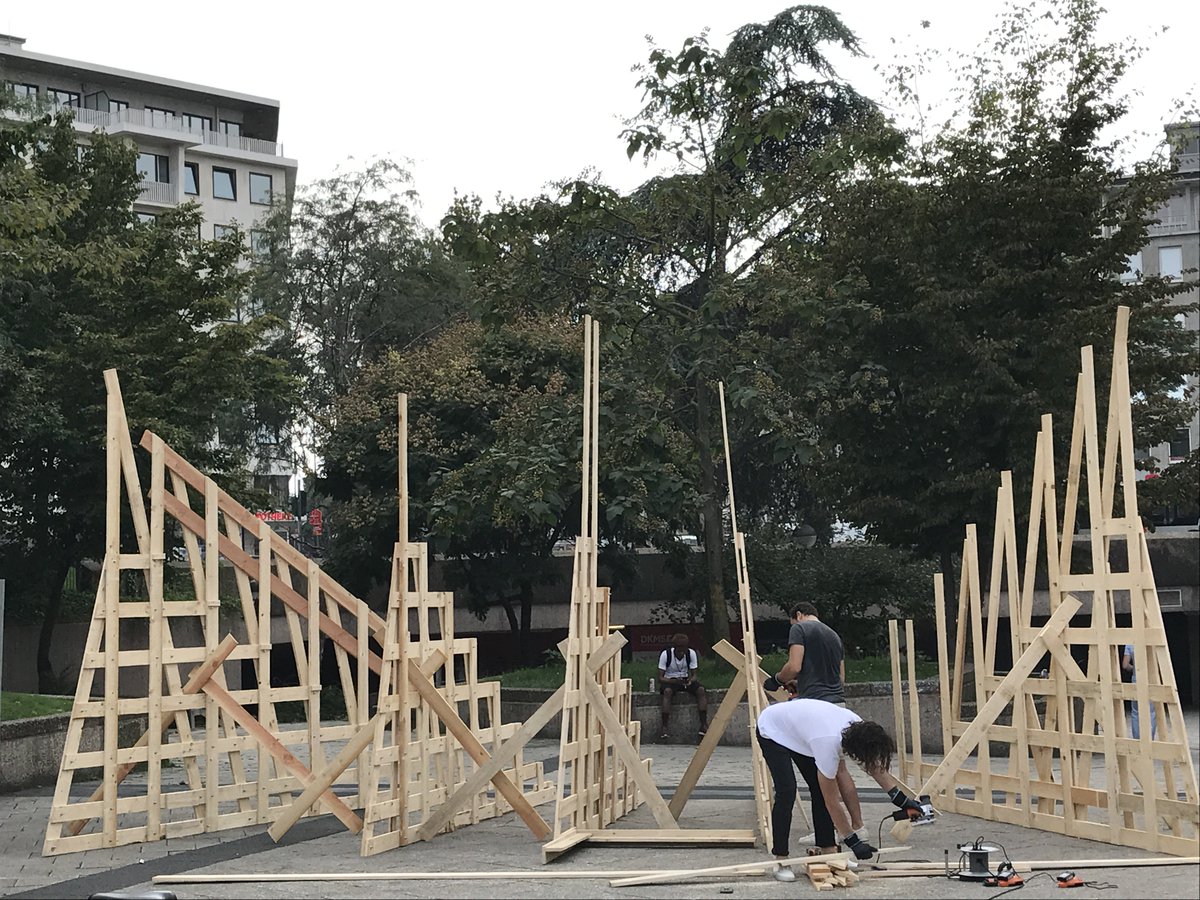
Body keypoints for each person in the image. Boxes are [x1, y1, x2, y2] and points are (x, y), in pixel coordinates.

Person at [755, 694, 924, 881]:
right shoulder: (828, 744)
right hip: (773, 730)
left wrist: (901, 799)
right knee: (787, 790)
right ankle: (780, 859)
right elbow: (832, 802)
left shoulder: (857, 726)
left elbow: (873, 766)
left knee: (818, 789)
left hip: (803, 730)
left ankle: (829, 852)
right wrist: (853, 841)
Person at [774, 601, 846, 705]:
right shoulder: (835, 636)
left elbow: (794, 667)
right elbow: (841, 678)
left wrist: (777, 680)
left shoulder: (799, 628)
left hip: (814, 703)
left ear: (799, 615)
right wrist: (801, 684)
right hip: (838, 703)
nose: (793, 626)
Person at [657, 633, 708, 739]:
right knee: (667, 692)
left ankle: (703, 724)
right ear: (674, 647)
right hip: (670, 680)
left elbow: (694, 675)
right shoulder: (666, 654)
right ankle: (664, 726)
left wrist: (690, 681)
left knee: (701, 690)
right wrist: (673, 681)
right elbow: (660, 678)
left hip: (685, 679)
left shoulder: (691, 653)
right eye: (679, 648)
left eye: (683, 648)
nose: (681, 651)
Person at [1122, 644, 1157, 739]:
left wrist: (1134, 668)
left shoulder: (1129, 643)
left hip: (1136, 678)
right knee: (1151, 711)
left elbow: (1125, 665)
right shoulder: (1151, 640)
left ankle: (1137, 739)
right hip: (1150, 678)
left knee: (1136, 711)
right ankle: (1150, 738)